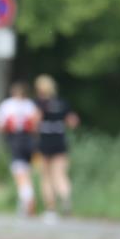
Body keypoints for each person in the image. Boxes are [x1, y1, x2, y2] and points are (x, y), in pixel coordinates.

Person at [33, 74, 79, 221]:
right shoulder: (61, 102)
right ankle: (66, 201)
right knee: (60, 175)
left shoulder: (39, 103)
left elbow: (35, 121)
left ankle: (51, 209)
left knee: (46, 177)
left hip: (45, 141)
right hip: (60, 140)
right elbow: (73, 121)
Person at [0, 81, 40, 216]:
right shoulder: (30, 105)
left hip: (16, 140)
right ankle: (25, 203)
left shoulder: (8, 105)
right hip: (30, 140)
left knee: (19, 173)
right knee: (27, 172)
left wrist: (8, 127)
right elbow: (36, 123)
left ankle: (28, 200)